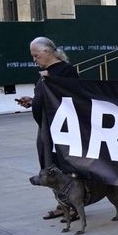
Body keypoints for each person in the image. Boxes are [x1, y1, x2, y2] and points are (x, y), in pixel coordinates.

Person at [16, 36, 80, 219]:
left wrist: (50, 80)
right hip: (45, 129)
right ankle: (62, 205)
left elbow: (70, 96)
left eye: (36, 55)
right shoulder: (46, 72)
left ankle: (74, 205)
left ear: (47, 52)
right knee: (48, 167)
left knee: (62, 168)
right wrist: (33, 101)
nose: (34, 59)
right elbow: (47, 98)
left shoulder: (66, 71)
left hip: (60, 130)